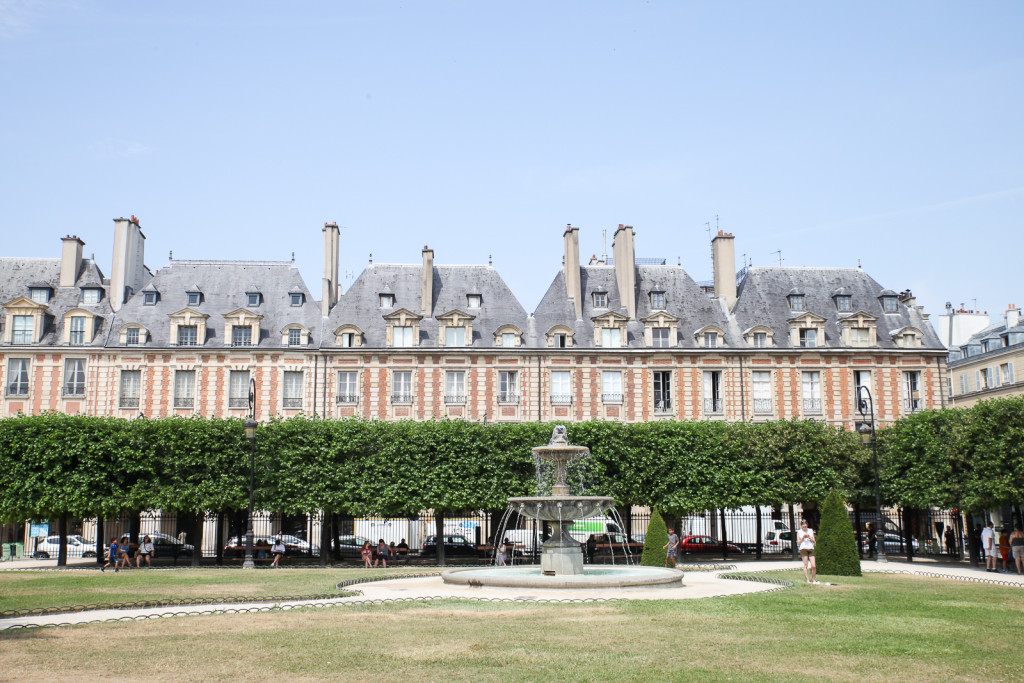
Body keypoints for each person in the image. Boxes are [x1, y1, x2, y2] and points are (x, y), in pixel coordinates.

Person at [798, 520, 819, 584]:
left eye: (805, 526)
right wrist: (803, 538)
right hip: (803, 548)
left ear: (807, 525)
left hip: (810, 548)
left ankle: (814, 580)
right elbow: (798, 542)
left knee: (813, 565)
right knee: (805, 565)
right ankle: (807, 580)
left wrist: (810, 538)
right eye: (803, 526)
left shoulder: (810, 530)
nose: (804, 528)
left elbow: (814, 541)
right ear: (801, 526)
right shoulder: (799, 532)